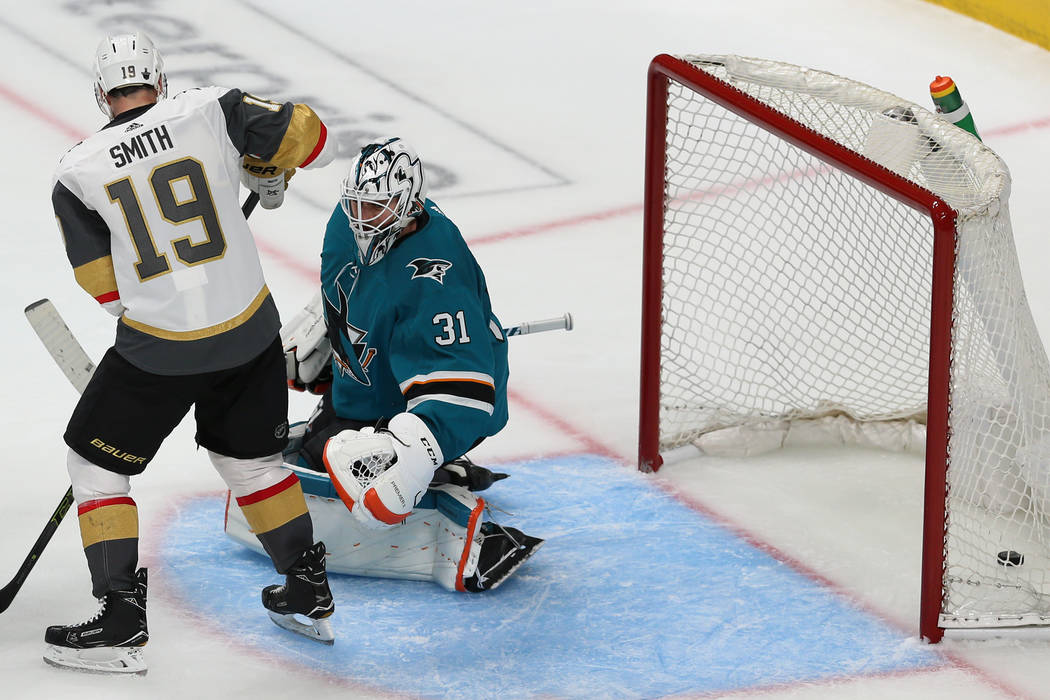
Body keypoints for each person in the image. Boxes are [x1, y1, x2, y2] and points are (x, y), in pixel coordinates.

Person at [46, 31, 339, 674]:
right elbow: (309, 136)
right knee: (254, 464)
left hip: (159, 352)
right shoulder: (212, 107)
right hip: (251, 333)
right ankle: (306, 590)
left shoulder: (78, 169)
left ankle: (120, 621)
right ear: (162, 77)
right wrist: (263, 170)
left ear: (102, 93)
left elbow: (102, 284)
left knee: (94, 467)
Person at [250, 137, 543, 592]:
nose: (364, 219)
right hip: (368, 380)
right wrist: (322, 343)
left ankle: (461, 513)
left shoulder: (437, 275)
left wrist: (414, 452)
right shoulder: (344, 223)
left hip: (439, 392)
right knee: (313, 453)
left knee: (357, 470)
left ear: (409, 204)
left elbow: (464, 393)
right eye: (357, 205)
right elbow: (350, 285)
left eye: (378, 208)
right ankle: (433, 467)